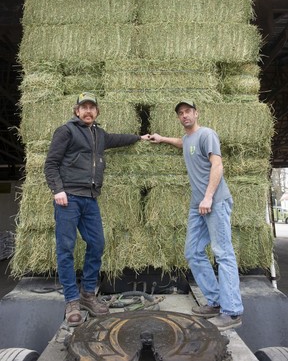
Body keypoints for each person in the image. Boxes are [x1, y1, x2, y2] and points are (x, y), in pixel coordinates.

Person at [44, 91, 150, 326]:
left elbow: (117, 139)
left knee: (97, 243)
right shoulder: (66, 131)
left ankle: (88, 294)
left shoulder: (99, 135)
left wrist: (139, 138)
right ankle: (72, 300)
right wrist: (57, 190)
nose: (88, 111)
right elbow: (50, 163)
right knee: (66, 248)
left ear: (97, 111)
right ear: (77, 111)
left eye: (92, 107)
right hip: (69, 197)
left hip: (90, 198)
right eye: (84, 107)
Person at [149, 100, 243, 331]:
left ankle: (232, 312)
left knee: (223, 254)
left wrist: (208, 197)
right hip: (197, 205)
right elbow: (184, 143)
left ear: (196, 113)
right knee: (192, 252)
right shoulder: (190, 138)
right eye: (180, 113)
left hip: (215, 201)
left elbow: (217, 166)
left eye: (188, 111)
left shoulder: (207, 134)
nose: (184, 116)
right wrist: (162, 139)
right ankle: (215, 300)